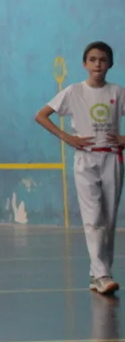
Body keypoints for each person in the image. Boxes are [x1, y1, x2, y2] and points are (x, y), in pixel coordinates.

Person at [36, 41, 124, 296]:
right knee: (93, 218)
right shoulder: (73, 91)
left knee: (108, 220)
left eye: (103, 60)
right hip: (85, 160)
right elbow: (41, 115)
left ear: (110, 64)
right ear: (84, 64)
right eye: (93, 59)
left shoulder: (118, 92)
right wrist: (67, 137)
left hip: (112, 159)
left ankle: (97, 273)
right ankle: (102, 275)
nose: (98, 64)